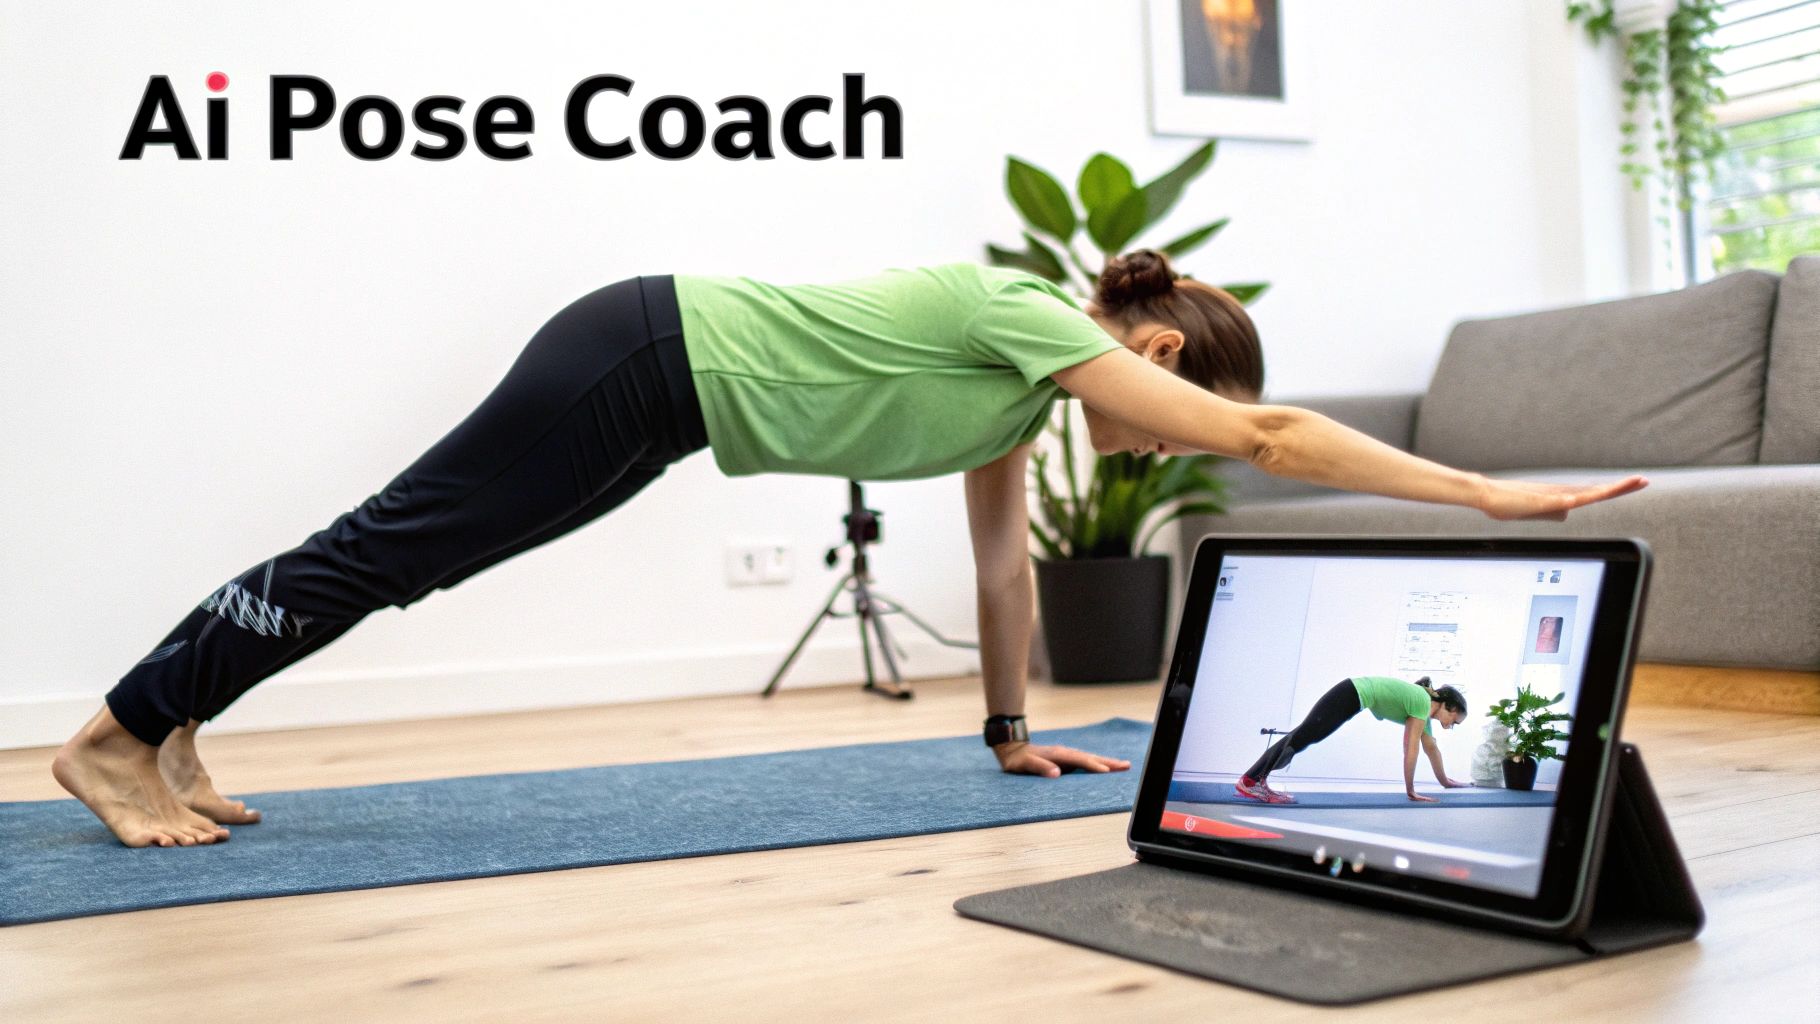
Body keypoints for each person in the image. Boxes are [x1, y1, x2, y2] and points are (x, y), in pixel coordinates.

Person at [51, 249, 1645, 847]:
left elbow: (1003, 570)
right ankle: (118, 737)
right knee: (388, 546)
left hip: (663, 400)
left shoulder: (1016, 394)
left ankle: (178, 729)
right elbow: (1280, 438)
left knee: (410, 560)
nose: (1165, 448)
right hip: (642, 352)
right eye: (1179, 421)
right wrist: (1487, 494)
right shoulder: (1025, 315)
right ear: (1158, 354)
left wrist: (1010, 731)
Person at [1236, 676, 1474, 805]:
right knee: (1302, 737)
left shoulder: (1423, 712)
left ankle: (1254, 780)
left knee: (1303, 737)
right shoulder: (1422, 702)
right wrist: (1411, 791)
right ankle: (1251, 781)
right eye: (1454, 721)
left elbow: (1431, 749)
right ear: (1448, 706)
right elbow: (1410, 747)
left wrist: (1446, 782)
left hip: (1350, 696)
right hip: (1349, 694)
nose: (1450, 726)